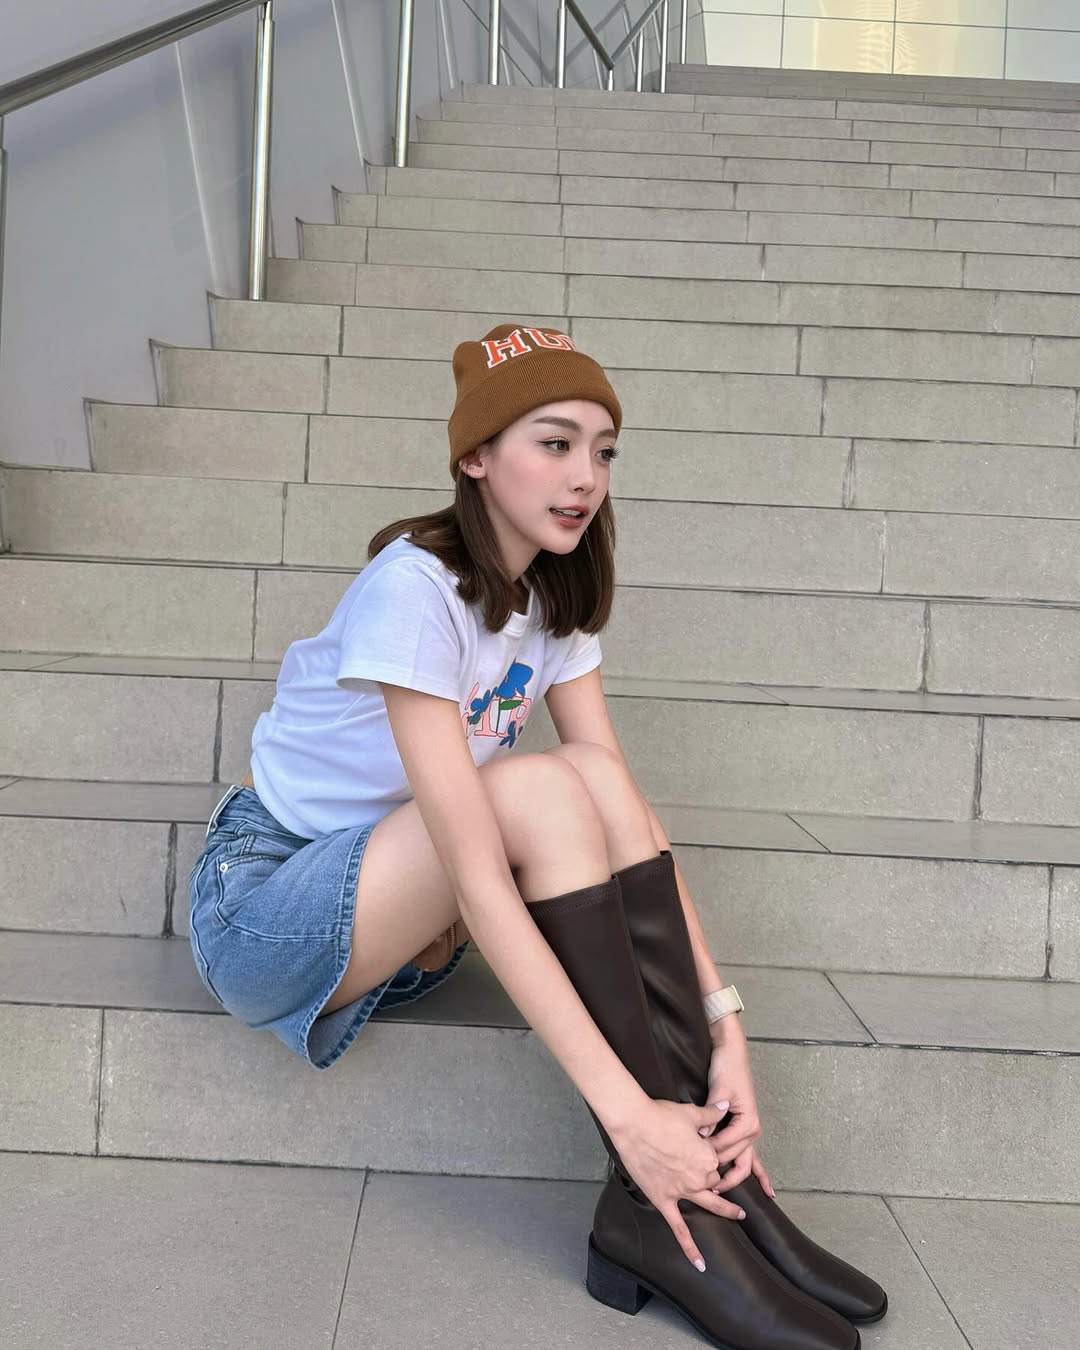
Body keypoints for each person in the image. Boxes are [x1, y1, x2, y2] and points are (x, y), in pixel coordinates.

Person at [188, 323, 886, 1349]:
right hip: (266, 911)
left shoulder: (555, 594)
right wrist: (627, 1119)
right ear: (477, 456)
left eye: (602, 450)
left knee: (591, 775)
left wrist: (725, 1026)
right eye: (553, 444)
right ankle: (659, 1188)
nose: (585, 476)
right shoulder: (413, 589)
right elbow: (479, 875)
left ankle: (716, 1185)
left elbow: (623, 805)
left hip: (403, 932)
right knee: (537, 792)